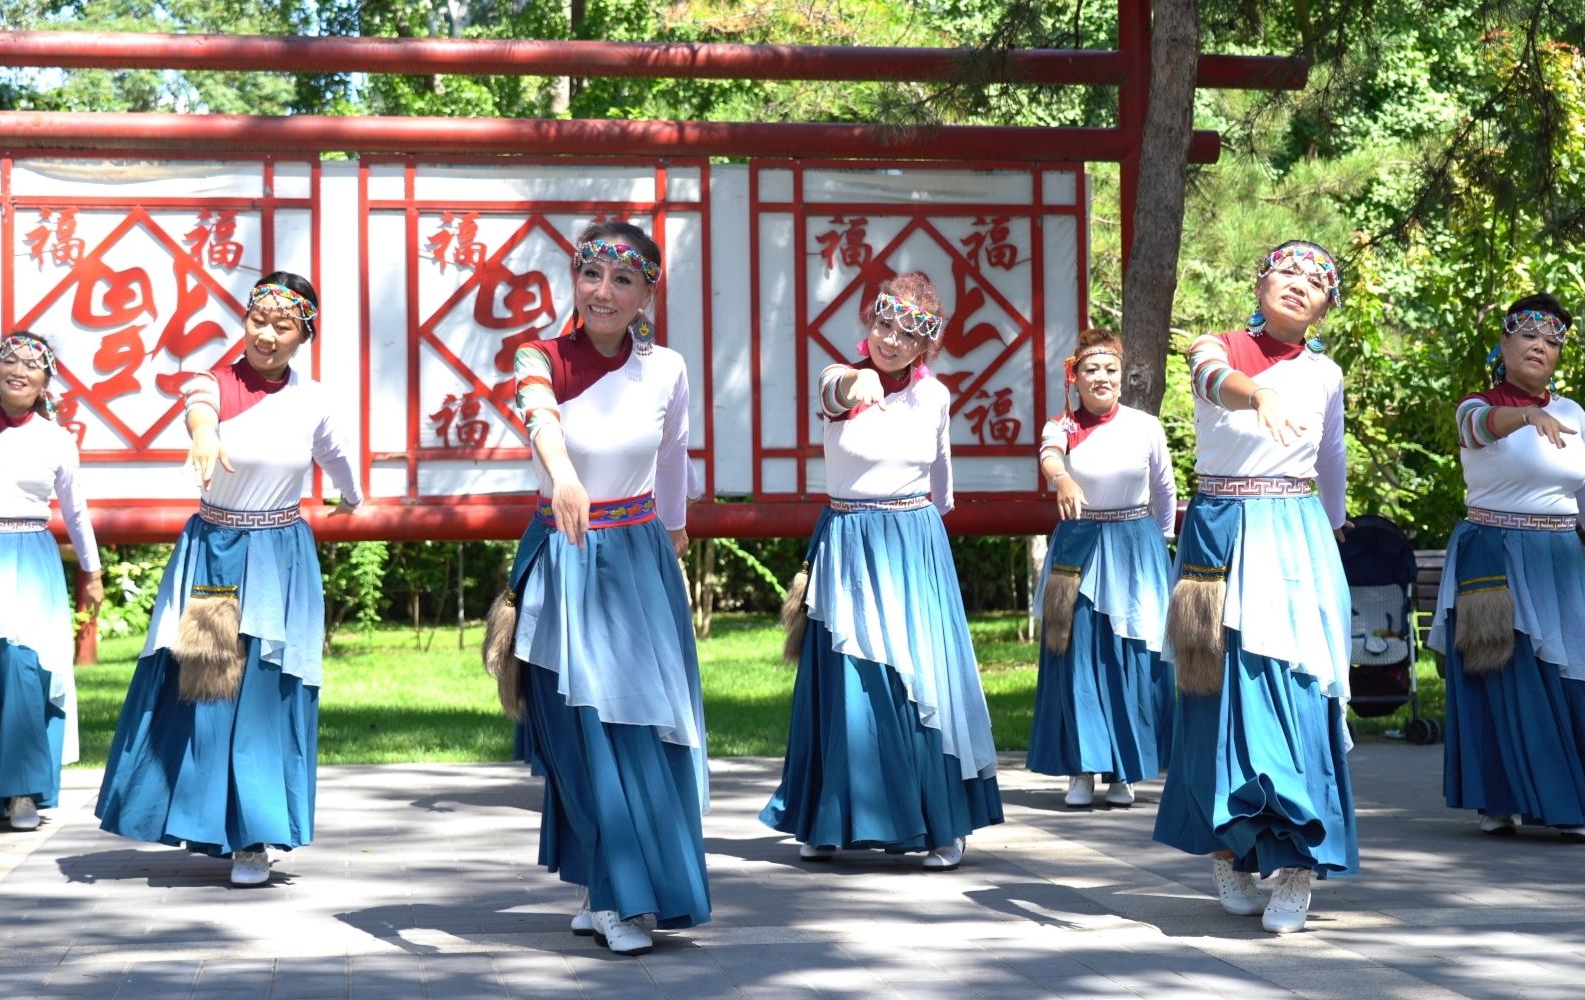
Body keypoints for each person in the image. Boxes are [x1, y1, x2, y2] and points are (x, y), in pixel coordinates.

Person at [484, 221, 706, 957]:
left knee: (642, 728)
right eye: (590, 275)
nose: (602, 292)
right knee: (585, 731)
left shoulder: (667, 368)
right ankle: (612, 891)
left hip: (639, 558)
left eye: (622, 280)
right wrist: (566, 474)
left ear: (647, 291)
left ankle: (613, 885)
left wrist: (675, 532)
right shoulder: (539, 355)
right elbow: (540, 415)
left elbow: (672, 458)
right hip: (568, 554)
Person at [96, 271, 361, 887]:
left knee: (268, 692)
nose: (266, 335)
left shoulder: (313, 399)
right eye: (257, 320)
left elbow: (338, 458)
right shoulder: (211, 381)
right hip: (216, 552)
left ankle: (255, 837)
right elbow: (200, 413)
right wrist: (206, 436)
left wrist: (349, 496)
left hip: (281, 559)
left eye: (283, 325)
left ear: (304, 334)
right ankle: (209, 823)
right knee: (209, 684)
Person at [759, 272, 1003, 872]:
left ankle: (943, 821)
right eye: (882, 325)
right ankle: (828, 818)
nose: (891, 339)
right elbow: (837, 394)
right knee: (849, 681)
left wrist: (922, 534)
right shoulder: (834, 378)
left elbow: (941, 486)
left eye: (908, 332)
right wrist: (855, 380)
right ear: (869, 324)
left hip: (915, 542)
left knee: (923, 681)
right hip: (848, 540)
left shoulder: (937, 398)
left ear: (929, 343)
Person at [1152, 240, 1358, 935]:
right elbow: (1211, 380)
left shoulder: (1326, 374)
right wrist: (1258, 390)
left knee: (1294, 697)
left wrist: (1330, 536)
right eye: (1288, 271)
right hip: (1218, 533)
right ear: (1260, 278)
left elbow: (1331, 458)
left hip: (1295, 537)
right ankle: (1227, 851)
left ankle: (1297, 867)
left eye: (1317, 281)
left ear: (1326, 307)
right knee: (1211, 697)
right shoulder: (1221, 346)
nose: (1300, 284)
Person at [1429, 294, 1585, 842]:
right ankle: (1502, 799)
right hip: (1495, 554)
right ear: (1505, 342)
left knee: (1571, 674)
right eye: (1529, 336)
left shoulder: (1573, 414)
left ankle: (1571, 797)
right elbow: (1479, 430)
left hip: (1563, 559)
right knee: (1504, 677)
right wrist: (1525, 415)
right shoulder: (1477, 404)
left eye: (1553, 341)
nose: (1541, 346)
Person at [1029, 328, 1177, 809]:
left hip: (1135, 545)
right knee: (1078, 658)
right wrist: (1063, 478)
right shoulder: (1062, 425)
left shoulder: (1144, 426)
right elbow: (1049, 456)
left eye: (1110, 368)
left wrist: (1159, 543)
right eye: (1092, 369)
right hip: (1080, 548)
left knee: (1132, 657)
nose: (1102, 377)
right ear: (1076, 376)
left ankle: (1124, 771)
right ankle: (1080, 768)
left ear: (1122, 374)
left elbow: (1164, 490)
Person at [0, 333, 102, 832]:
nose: (20, 370)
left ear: (45, 382)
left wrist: (92, 572)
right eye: (9, 359)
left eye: (33, 365)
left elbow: (75, 512)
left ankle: (22, 792)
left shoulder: (56, 440)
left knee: (25, 670)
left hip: (32, 557)